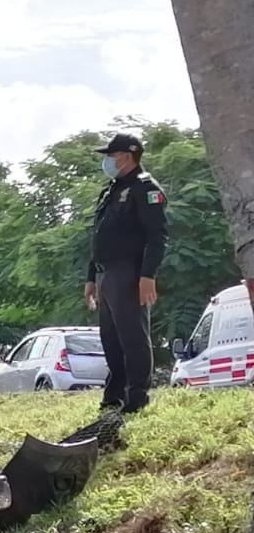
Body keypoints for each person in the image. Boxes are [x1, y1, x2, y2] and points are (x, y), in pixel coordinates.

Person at [85, 132, 168, 413]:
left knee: (132, 335)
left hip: (129, 271)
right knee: (111, 338)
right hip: (105, 272)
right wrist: (90, 277)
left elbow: (157, 237)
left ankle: (137, 397)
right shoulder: (110, 190)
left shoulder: (146, 189)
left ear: (127, 156)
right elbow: (98, 236)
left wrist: (148, 275)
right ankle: (114, 396)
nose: (108, 160)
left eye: (111, 155)